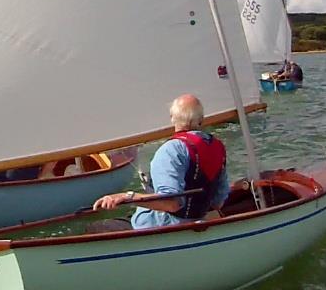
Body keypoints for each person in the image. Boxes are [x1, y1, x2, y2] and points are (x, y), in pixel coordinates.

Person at [92, 94, 228, 229]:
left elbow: (171, 203)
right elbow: (217, 203)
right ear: (201, 119)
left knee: (95, 228)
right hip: (198, 220)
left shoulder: (172, 150)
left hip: (160, 226)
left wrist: (127, 197)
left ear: (172, 118)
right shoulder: (217, 147)